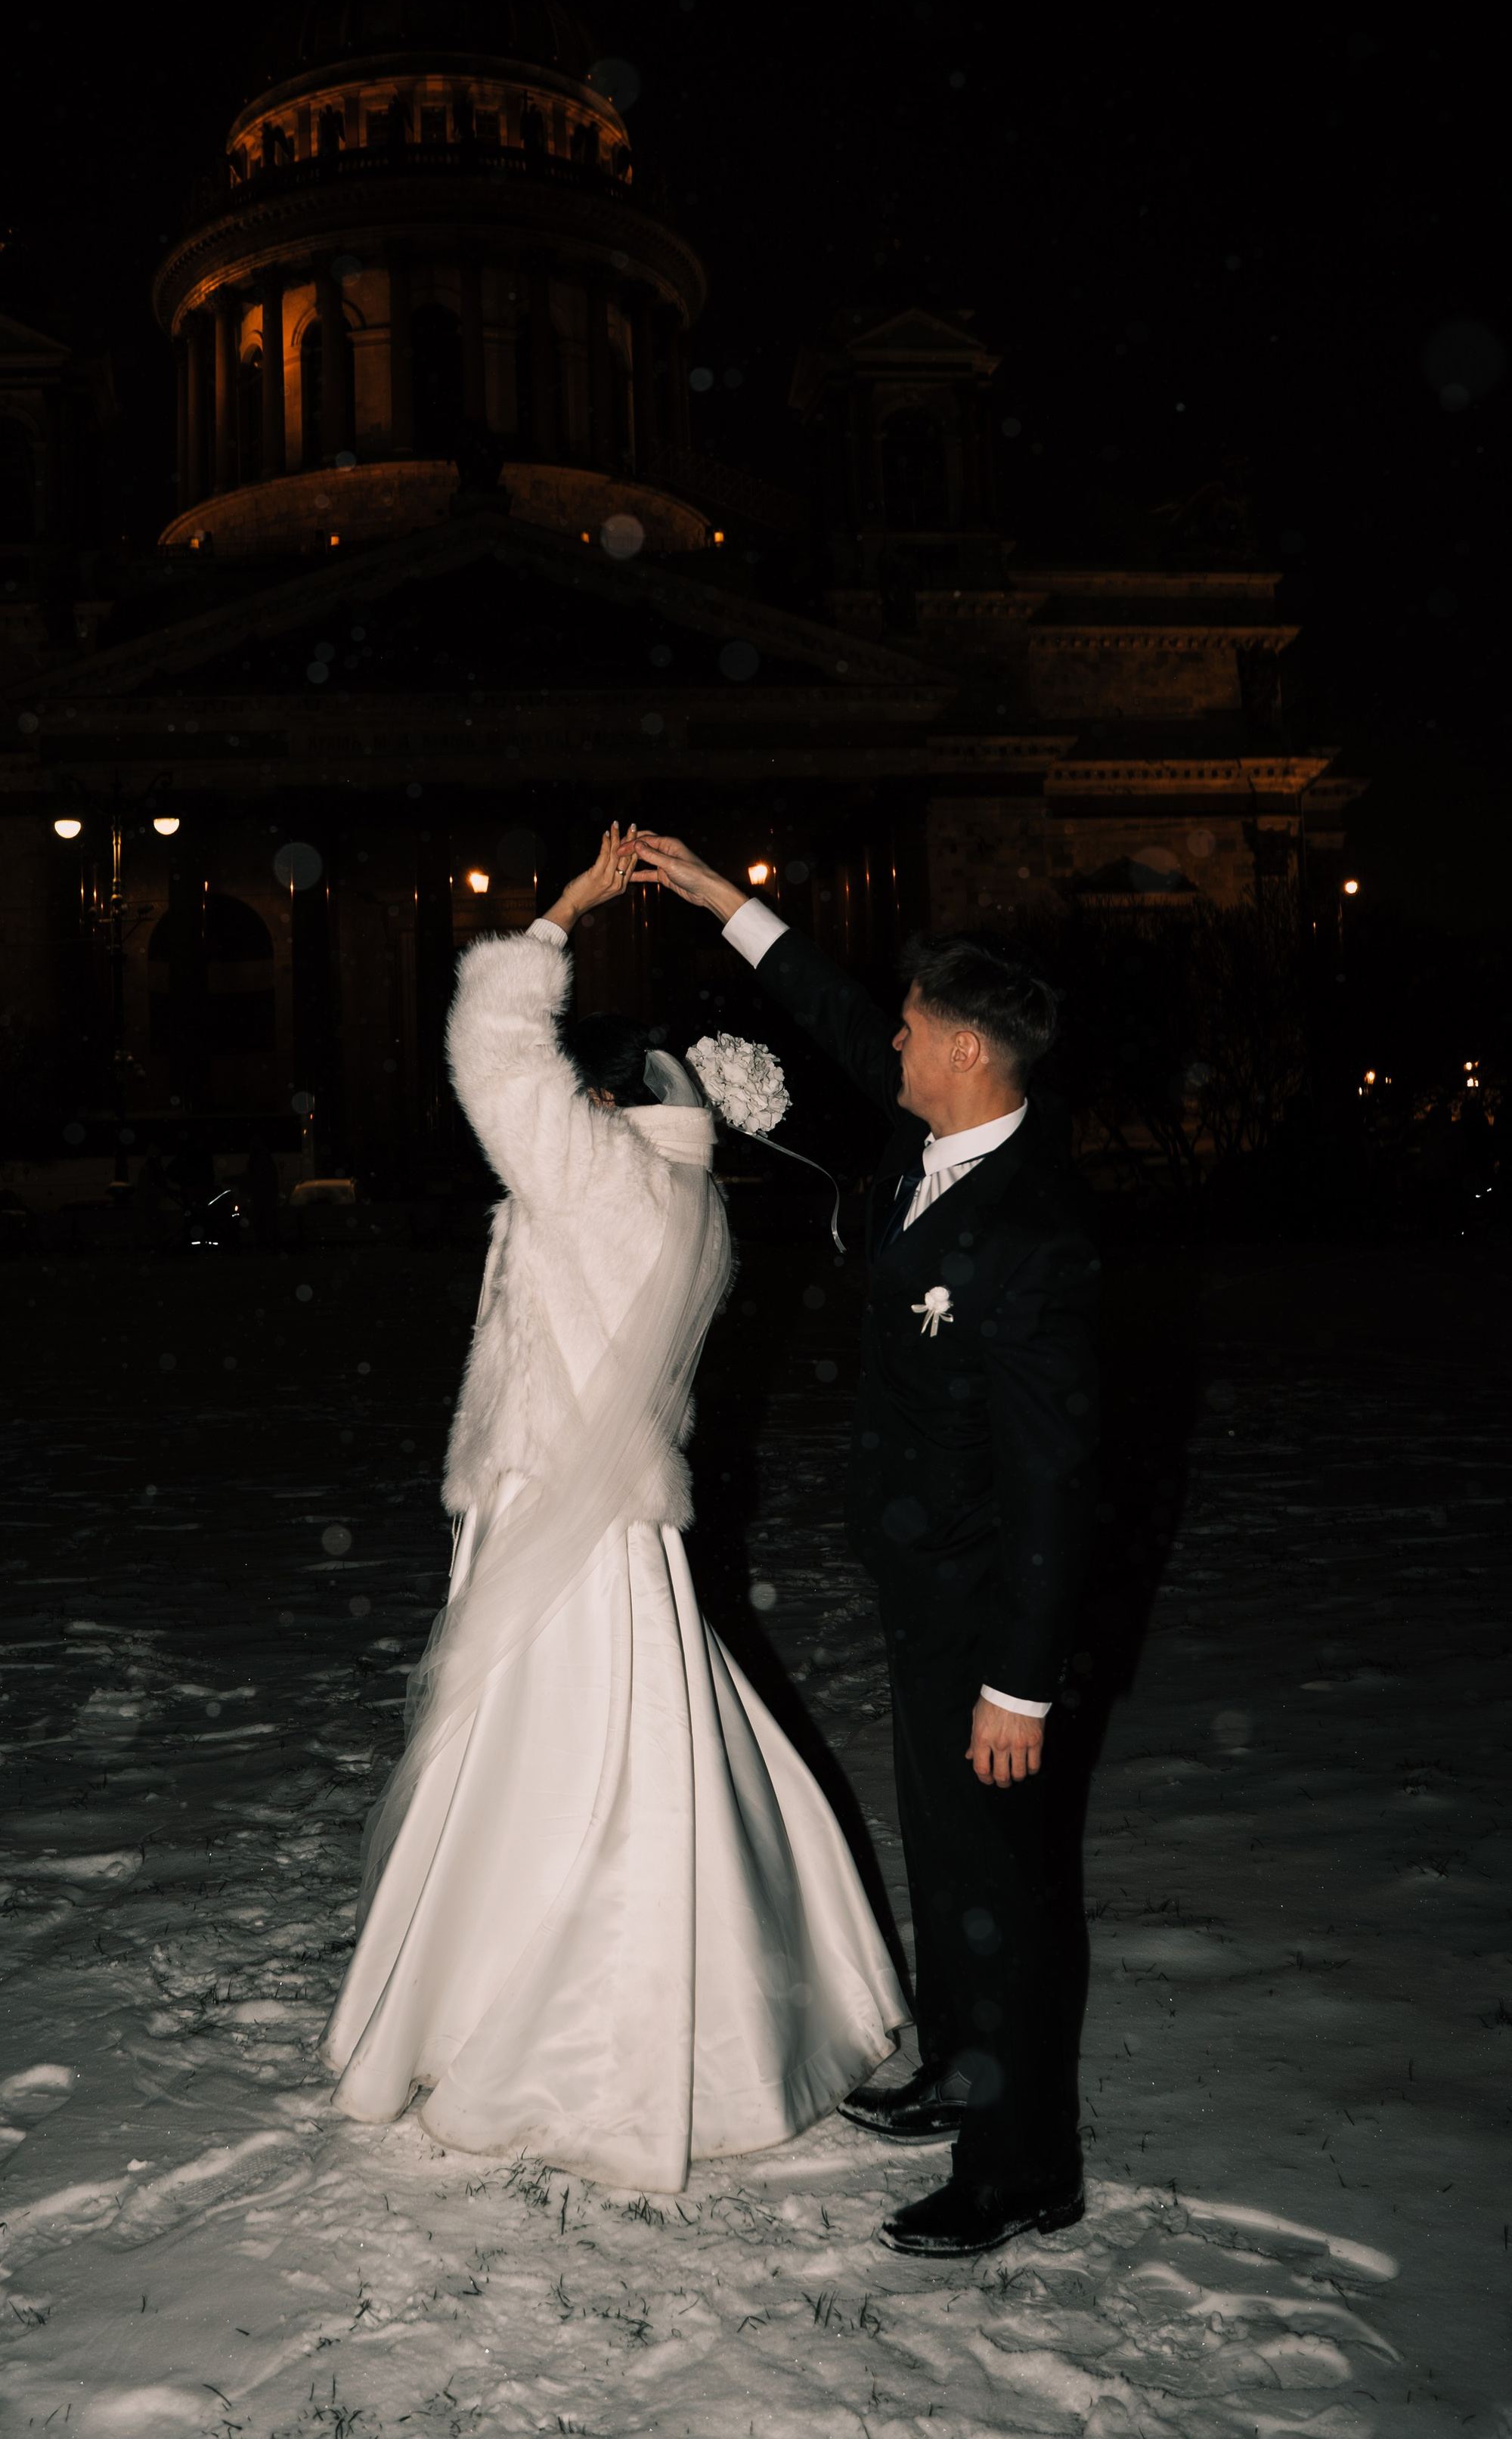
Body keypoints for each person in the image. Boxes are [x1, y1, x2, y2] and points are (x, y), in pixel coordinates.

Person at [323, 825, 905, 2192]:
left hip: (553, 1513)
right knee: (645, 1750)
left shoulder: (596, 1177)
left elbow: (490, 1054)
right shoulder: (687, 1197)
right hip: (622, 1524)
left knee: (544, 1759)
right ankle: (713, 2008)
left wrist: (559, 919)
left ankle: (535, 2024)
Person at [637, 832, 1101, 2260]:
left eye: (912, 1030)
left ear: (966, 1052)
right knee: (950, 1862)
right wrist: (728, 907)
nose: (887, 1041)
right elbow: (836, 1010)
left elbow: (1061, 1479)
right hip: (923, 1579)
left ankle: (1022, 2166)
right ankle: (960, 2071)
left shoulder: (1036, 1235)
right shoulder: (928, 1138)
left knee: (1004, 1885)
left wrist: (1020, 1682)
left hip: (990, 1612)